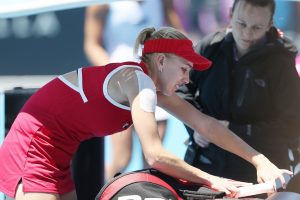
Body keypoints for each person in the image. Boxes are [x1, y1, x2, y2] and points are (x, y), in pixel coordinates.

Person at [0, 26, 292, 200]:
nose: (188, 79)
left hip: (58, 156)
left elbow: (208, 126)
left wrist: (260, 160)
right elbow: (155, 155)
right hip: (31, 149)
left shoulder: (150, 84)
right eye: (184, 69)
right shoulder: (138, 81)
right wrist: (213, 180)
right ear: (161, 60)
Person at [179, 0, 300, 184]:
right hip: (206, 166)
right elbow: (178, 88)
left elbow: (292, 124)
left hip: (258, 174)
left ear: (270, 24)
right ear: (230, 15)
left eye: (257, 27)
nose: (247, 33)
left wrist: (234, 130)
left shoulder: (281, 63)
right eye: (241, 23)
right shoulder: (210, 47)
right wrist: (196, 125)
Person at [84, 0, 185, 180]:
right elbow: (92, 45)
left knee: (154, 159)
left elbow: (177, 33)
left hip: (156, 83)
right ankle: (100, 194)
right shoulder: (100, 4)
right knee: (122, 158)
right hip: (120, 88)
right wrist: (115, 74)